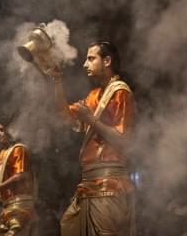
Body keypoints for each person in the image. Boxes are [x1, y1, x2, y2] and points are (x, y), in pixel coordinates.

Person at [49, 41, 136, 236]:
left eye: (90, 58)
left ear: (107, 61)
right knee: (68, 226)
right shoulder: (94, 95)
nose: (85, 64)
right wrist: (57, 81)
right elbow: (64, 117)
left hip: (108, 184)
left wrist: (90, 119)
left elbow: (123, 140)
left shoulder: (121, 92)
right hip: (88, 184)